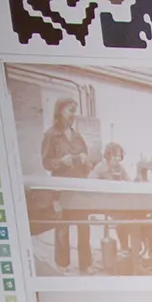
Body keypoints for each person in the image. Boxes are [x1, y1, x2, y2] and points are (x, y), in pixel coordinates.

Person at [40, 97, 93, 273]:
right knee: (62, 227)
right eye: (70, 110)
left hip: (79, 188)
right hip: (61, 189)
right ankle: (62, 264)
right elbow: (46, 163)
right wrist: (61, 162)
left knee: (84, 227)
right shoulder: (51, 135)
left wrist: (86, 161)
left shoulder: (78, 137)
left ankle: (85, 264)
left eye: (74, 111)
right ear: (60, 111)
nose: (73, 115)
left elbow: (89, 165)